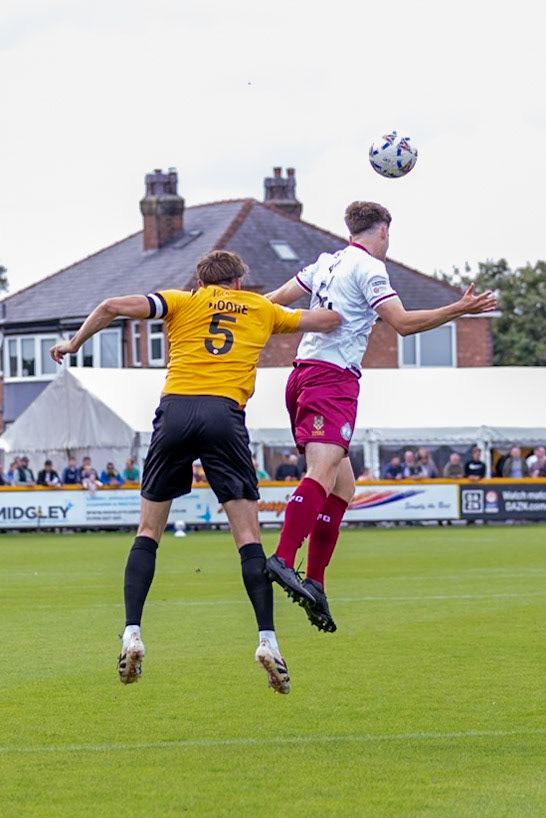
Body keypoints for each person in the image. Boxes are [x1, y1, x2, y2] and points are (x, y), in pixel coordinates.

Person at [50, 249, 340, 694]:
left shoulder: (180, 301)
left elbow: (110, 306)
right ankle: (268, 641)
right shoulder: (260, 308)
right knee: (249, 539)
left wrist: (73, 345)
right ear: (239, 282)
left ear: (200, 282)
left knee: (148, 531)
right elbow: (325, 321)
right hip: (224, 415)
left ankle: (132, 632)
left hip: (176, 410)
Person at [263, 200, 496, 633]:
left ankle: (315, 582)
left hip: (302, 377)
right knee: (322, 470)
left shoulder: (326, 262)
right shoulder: (370, 269)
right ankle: (282, 556)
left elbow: (274, 301)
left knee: (343, 485)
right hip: (331, 380)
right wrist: (457, 309)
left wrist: (234, 310)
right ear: (383, 232)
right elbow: (403, 324)